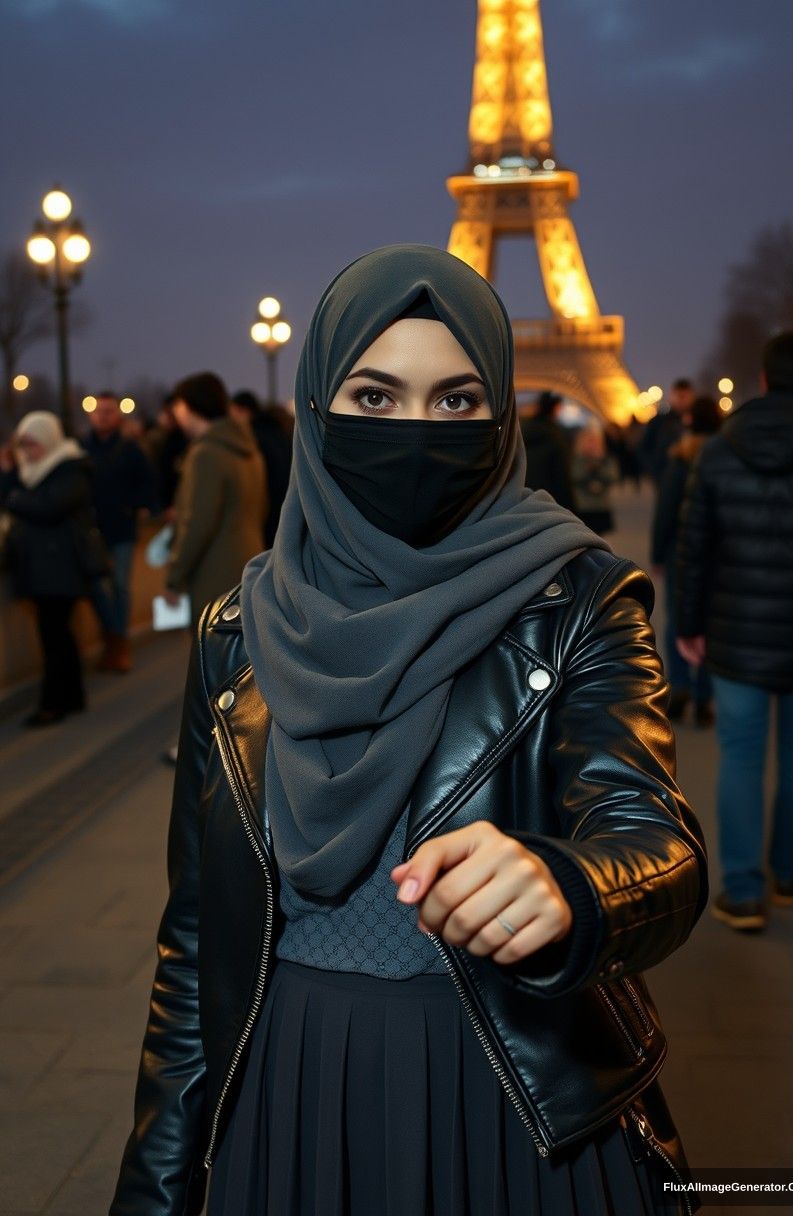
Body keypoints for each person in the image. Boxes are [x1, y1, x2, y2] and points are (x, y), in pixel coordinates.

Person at [109, 246, 707, 1216]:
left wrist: (569, 885)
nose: (418, 432)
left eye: (457, 402)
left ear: (501, 414)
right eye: (376, 399)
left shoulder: (582, 602)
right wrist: (155, 1187)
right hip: (290, 1090)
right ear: (314, 408)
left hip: (504, 1100)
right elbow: (192, 944)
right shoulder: (236, 634)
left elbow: (658, 844)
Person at [676, 329, 793, 933]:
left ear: (763, 380)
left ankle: (742, 891)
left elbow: (694, 549)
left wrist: (688, 627)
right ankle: (791, 872)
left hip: (734, 635)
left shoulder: (717, 450)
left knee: (739, 757)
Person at [0, 411, 103, 726]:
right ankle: (71, 697)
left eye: (32, 444)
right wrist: (10, 475)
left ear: (48, 440)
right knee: (60, 635)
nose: (27, 451)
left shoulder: (70, 470)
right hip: (44, 568)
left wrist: (12, 490)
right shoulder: (34, 471)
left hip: (59, 569)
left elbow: (46, 508)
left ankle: (53, 704)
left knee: (54, 637)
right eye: (23, 445)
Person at [163, 372, 267, 624]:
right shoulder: (247, 448)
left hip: (213, 573)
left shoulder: (205, 454)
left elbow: (198, 523)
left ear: (188, 407)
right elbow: (262, 508)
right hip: (249, 564)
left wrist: (174, 577)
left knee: (210, 651)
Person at [650, 396, 722, 726]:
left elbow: (665, 511)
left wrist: (657, 553)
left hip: (679, 551)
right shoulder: (725, 458)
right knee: (711, 622)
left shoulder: (679, 459)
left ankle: (679, 685)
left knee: (678, 619)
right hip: (717, 553)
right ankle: (705, 696)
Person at [83, 391, 160, 673]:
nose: (102, 416)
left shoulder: (130, 449)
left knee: (119, 586)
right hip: (93, 531)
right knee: (97, 587)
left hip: (122, 528)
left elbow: (149, 483)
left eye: (108, 411)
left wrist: (135, 506)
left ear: (118, 416)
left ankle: (118, 645)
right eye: (98, 411)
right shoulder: (82, 447)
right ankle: (116, 640)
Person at [229, 389, 293, 545]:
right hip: (286, 510)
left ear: (243, 411)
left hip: (268, 515)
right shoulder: (279, 432)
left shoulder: (253, 439)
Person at [519, 390, 576, 509]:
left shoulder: (523, 433)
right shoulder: (556, 436)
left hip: (525, 497)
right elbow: (561, 475)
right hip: (551, 499)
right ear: (555, 408)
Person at [638, 379, 695, 485]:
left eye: (684, 397)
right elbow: (643, 448)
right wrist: (655, 472)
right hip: (665, 479)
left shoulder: (698, 421)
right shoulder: (658, 422)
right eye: (679, 396)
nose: (681, 401)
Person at [570, 422, 618, 534]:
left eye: (594, 441)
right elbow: (574, 476)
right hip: (583, 506)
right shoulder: (577, 460)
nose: (592, 445)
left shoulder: (606, 459)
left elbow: (613, 477)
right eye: (589, 441)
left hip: (600, 506)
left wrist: (599, 467)